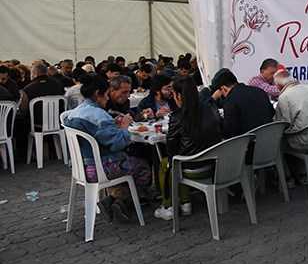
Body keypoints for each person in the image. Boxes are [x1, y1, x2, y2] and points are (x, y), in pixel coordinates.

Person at [63, 74, 152, 223]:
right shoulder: (98, 115)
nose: (107, 98)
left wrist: (114, 126)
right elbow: (119, 143)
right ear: (98, 94)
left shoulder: (76, 112)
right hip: (102, 168)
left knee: (129, 163)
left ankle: (112, 201)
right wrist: (124, 126)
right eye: (105, 94)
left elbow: (99, 136)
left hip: (81, 166)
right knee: (143, 166)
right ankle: (121, 200)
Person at [154, 77, 222, 220]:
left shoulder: (178, 116)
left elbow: (171, 149)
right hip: (213, 164)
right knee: (180, 158)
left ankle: (168, 207)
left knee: (167, 164)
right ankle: (186, 203)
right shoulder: (209, 109)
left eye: (175, 95)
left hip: (192, 169)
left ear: (179, 95)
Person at [273, 70, 308, 186]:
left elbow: (283, 124)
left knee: (278, 141)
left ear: (279, 86)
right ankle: (302, 174)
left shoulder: (285, 96)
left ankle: (287, 178)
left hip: (305, 141)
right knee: (298, 129)